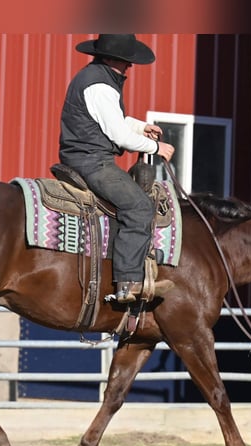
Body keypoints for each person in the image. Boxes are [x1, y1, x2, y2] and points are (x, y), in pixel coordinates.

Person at [59, 34, 176, 304]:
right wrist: (156, 148)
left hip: (84, 156)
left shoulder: (94, 79)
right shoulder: (101, 86)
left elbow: (110, 120)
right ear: (113, 60)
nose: (130, 67)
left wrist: (139, 127)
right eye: (126, 62)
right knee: (138, 207)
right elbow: (119, 137)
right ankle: (128, 282)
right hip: (92, 161)